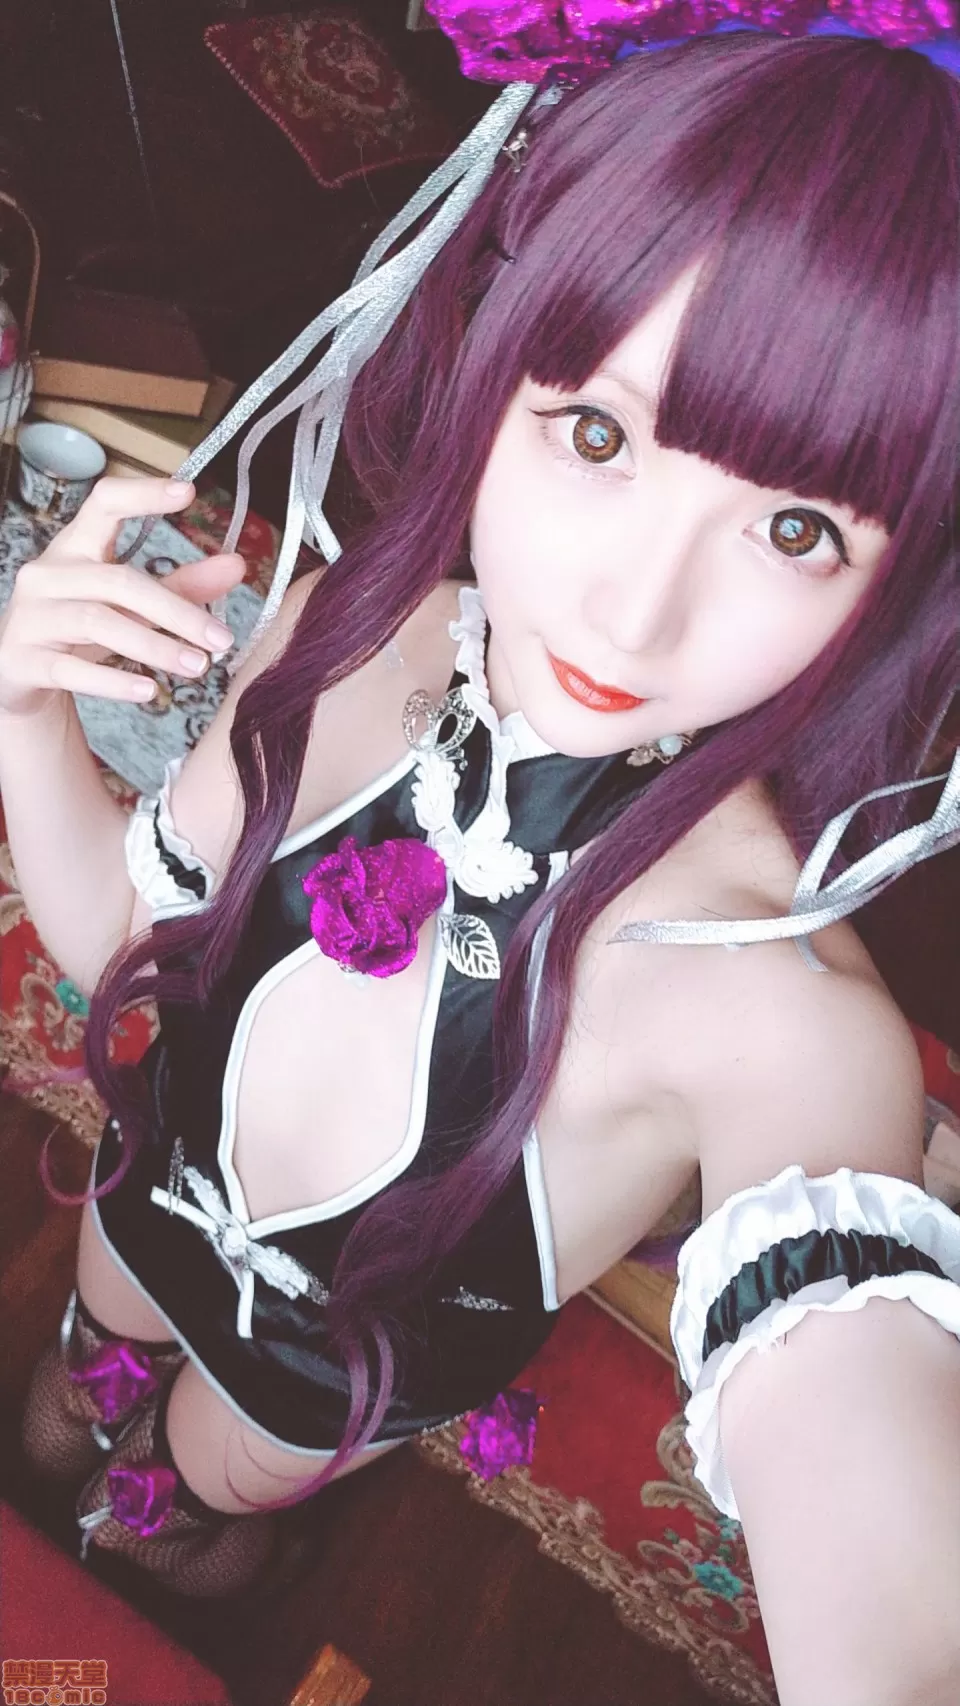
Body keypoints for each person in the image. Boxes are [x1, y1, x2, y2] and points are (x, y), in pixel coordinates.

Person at [1, 22, 960, 1701]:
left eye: (796, 528)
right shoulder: (350, 634)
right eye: (597, 435)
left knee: (199, 1501)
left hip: (320, 1382)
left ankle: (179, 1534)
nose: (632, 612)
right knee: (73, 1384)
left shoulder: (780, 1019)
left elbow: (873, 1502)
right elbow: (122, 938)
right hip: (148, 1195)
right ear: (501, 360)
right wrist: (21, 709)